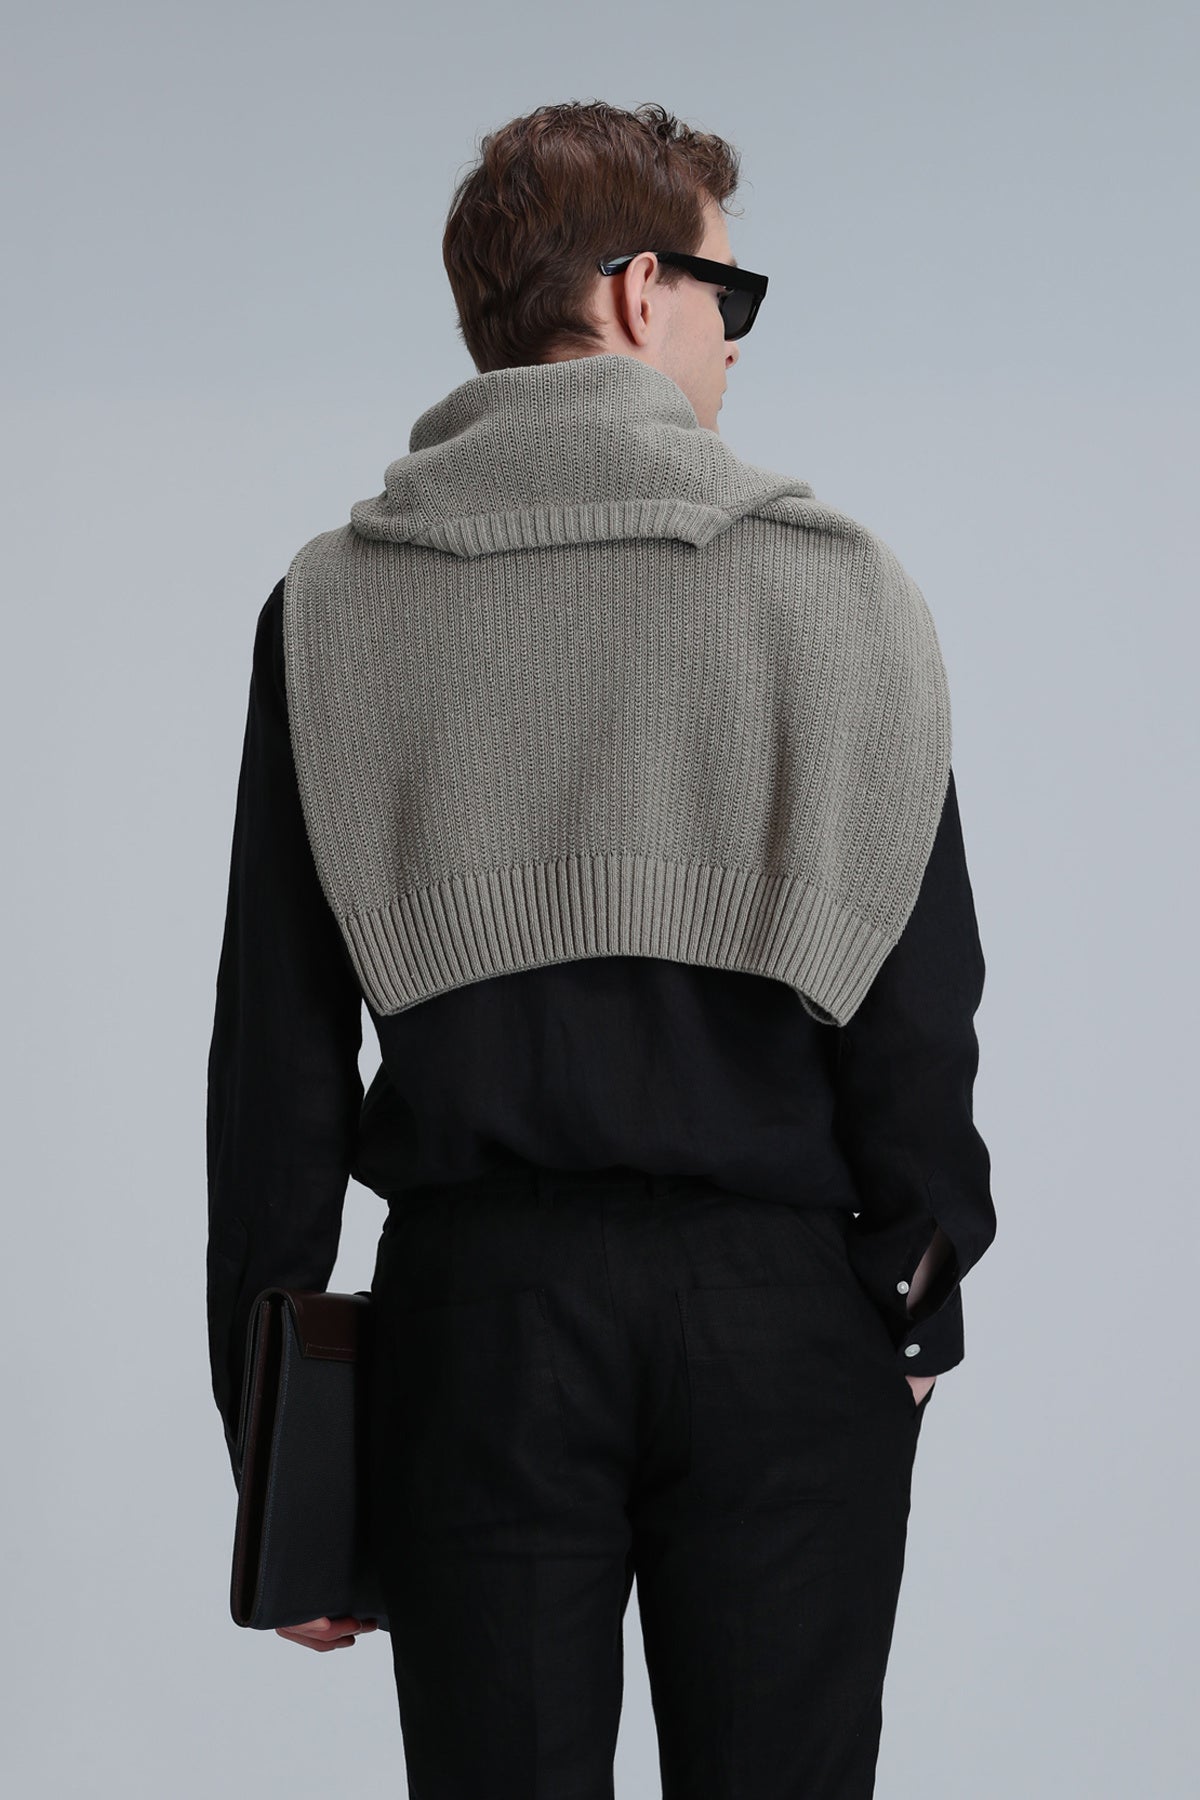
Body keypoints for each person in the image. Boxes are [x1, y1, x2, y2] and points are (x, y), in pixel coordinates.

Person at [207, 99, 996, 1797]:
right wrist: (921, 1294)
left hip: (478, 1326)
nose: (735, 338)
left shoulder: (330, 605)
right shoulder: (838, 586)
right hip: (784, 1315)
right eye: (729, 292)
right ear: (642, 292)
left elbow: (276, 1052)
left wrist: (281, 1442)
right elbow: (919, 998)